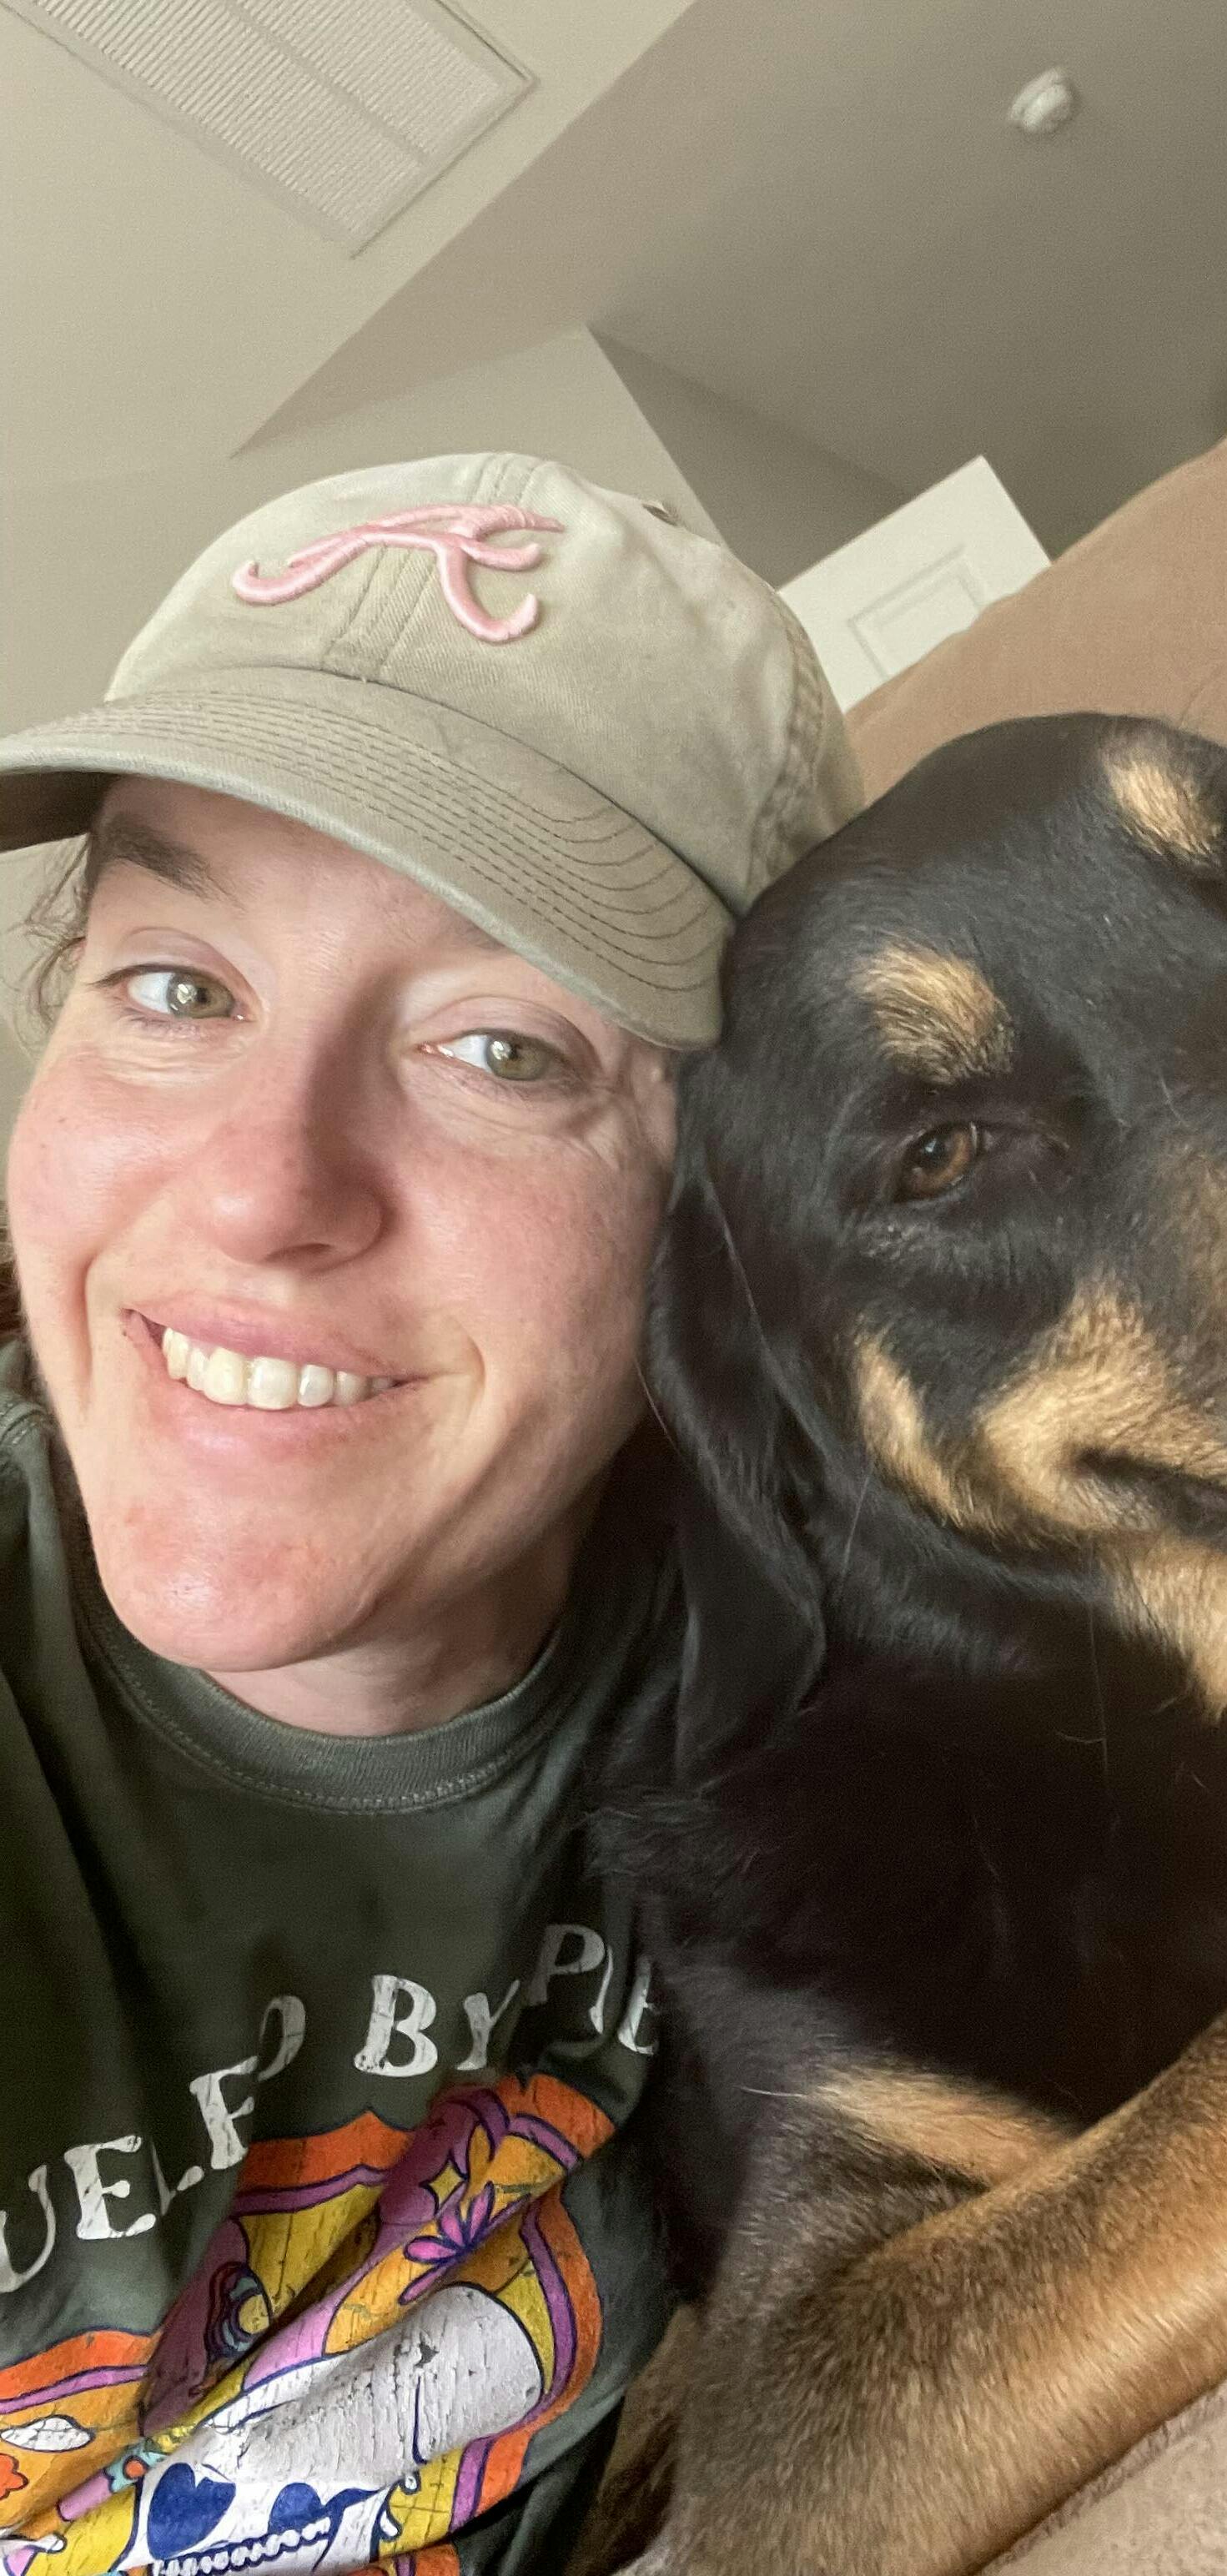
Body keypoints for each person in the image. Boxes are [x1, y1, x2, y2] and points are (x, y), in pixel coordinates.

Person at [0, 455, 861, 2576]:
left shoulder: (821, 1650)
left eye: (503, 1047)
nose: (261, 1191)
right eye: (177, 985)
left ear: (736, 1204)